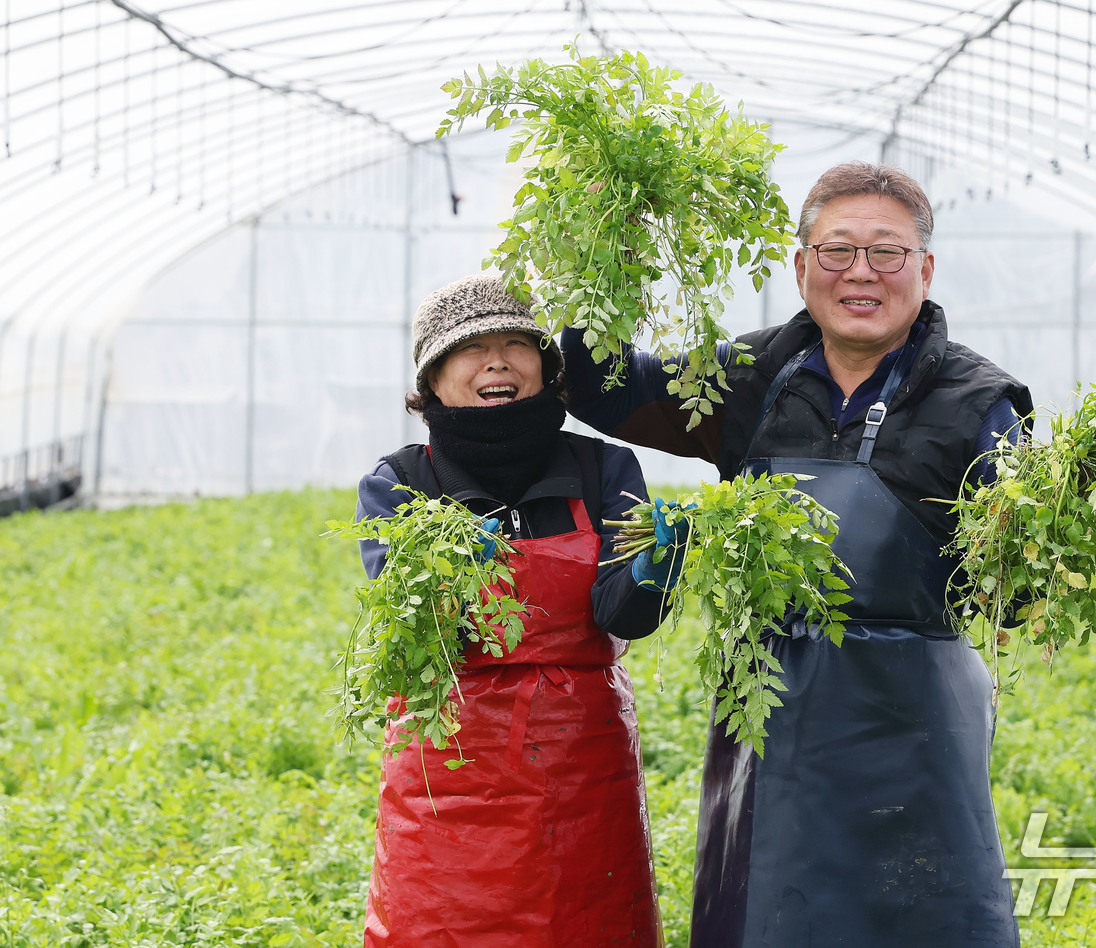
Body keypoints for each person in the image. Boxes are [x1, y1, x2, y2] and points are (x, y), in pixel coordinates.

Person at [561, 162, 1030, 946]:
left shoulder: (978, 403)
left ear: (926, 268)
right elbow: (602, 386)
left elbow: (1009, 590)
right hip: (772, 709)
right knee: (772, 917)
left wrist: (1048, 534)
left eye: (887, 253)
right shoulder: (750, 377)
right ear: (802, 263)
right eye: (838, 250)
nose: (861, 273)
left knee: (923, 917)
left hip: (914, 723)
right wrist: (616, 240)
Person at [355, 275, 680, 947]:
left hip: (579, 762)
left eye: (516, 344)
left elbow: (624, 617)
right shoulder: (399, 483)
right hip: (447, 769)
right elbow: (413, 631)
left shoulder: (604, 469)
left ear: (545, 366)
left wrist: (652, 575)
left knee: (586, 922)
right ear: (434, 377)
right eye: (470, 349)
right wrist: (444, 582)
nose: (497, 361)